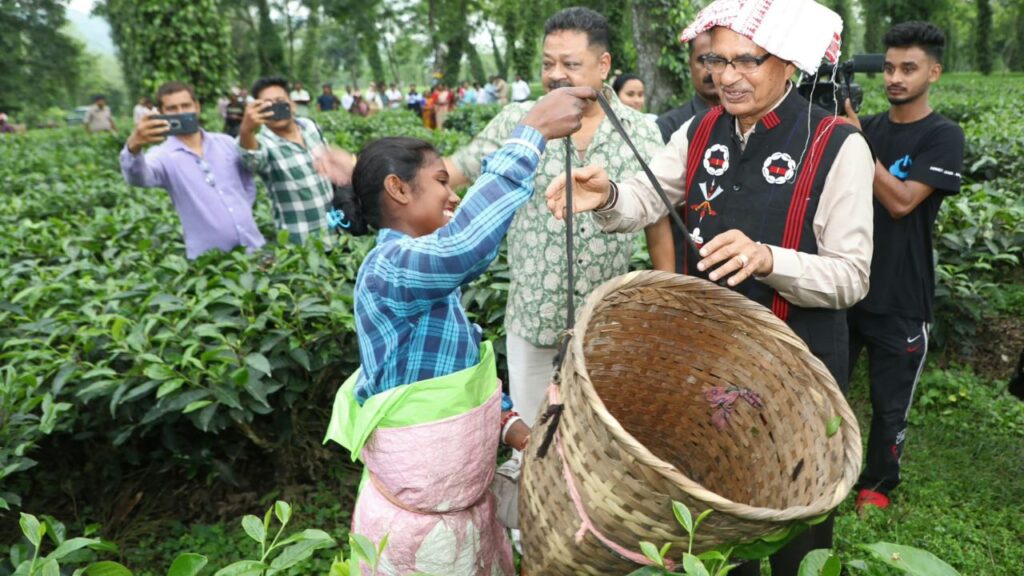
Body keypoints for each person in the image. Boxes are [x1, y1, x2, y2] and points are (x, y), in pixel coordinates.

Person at [545, 1, 874, 574]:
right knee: (720, 510)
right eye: (717, 61)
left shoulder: (837, 145)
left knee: (798, 520)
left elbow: (851, 277)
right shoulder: (700, 130)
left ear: (790, 64)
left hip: (796, 369)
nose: (727, 76)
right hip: (713, 361)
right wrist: (608, 195)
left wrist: (768, 258)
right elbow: (652, 195)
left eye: (748, 61)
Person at [323, 85, 595, 576]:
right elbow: (464, 247)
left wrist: (515, 430)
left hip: (464, 516)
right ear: (399, 189)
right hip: (418, 529)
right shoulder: (390, 267)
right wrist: (530, 132)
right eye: (441, 181)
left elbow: (462, 377)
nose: (454, 194)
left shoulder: (430, 282)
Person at [445, 6, 664, 435]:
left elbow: (658, 220)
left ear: (603, 65)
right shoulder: (517, 121)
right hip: (532, 321)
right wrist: (380, 174)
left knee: (599, 444)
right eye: (548, 63)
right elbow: (459, 167)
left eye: (570, 64)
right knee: (533, 444)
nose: (556, 74)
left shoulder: (641, 132)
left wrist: (664, 305)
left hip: (606, 328)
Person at [843, 21, 965, 513]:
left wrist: (856, 143)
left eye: (908, 69)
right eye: (890, 67)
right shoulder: (868, 126)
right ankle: (823, 471)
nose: (895, 78)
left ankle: (877, 484)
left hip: (901, 295)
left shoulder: (943, 135)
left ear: (933, 72)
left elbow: (901, 202)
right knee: (827, 386)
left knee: (890, 403)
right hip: (849, 287)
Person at [120, 81, 265, 259]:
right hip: (209, 263)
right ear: (161, 113)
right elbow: (138, 177)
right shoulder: (162, 156)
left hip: (255, 248)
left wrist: (240, 210)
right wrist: (134, 145)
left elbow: (248, 183)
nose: (181, 112)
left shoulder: (225, 143)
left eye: (186, 105)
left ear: (196, 107)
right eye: (172, 108)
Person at [239, 76, 356, 245]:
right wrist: (246, 131)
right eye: (267, 104)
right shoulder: (263, 143)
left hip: (336, 232)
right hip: (301, 244)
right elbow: (252, 161)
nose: (275, 107)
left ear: (292, 104)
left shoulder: (309, 126)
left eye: (280, 101)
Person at [656, 31, 720, 143]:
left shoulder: (746, 121)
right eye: (703, 60)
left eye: (718, 60)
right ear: (689, 63)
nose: (710, 70)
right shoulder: (668, 127)